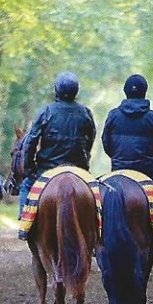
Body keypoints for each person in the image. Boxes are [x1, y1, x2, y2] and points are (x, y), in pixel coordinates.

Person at [102, 74, 153, 259]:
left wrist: (117, 159)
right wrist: (151, 160)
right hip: (147, 170)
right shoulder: (152, 117)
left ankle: (96, 239)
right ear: (145, 92)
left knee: (95, 200)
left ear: (125, 92)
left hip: (119, 169)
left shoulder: (113, 115)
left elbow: (106, 142)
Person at [18, 71, 96, 216]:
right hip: (78, 168)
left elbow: (31, 141)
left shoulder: (46, 111)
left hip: (47, 169)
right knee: (96, 194)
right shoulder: (85, 112)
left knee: (26, 186)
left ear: (57, 90)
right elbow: (91, 137)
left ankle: (25, 224)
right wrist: (86, 158)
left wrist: (29, 169)